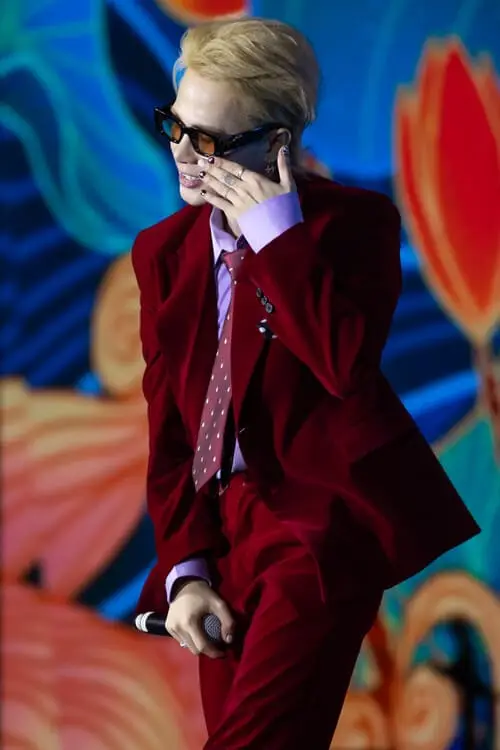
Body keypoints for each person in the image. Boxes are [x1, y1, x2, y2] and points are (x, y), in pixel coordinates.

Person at [132, 17, 480, 750]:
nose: (183, 155)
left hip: (316, 528)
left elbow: (344, 365)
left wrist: (278, 237)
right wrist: (185, 571)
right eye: (175, 127)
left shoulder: (355, 227)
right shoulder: (162, 252)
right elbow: (170, 429)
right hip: (220, 536)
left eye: (209, 141)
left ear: (276, 144)